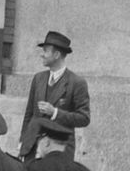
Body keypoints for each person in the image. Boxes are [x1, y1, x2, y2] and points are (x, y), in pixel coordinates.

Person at [17, 29, 91, 160]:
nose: (42, 55)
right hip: (33, 149)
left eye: (45, 51)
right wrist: (22, 142)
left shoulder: (76, 82)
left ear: (56, 54)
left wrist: (55, 113)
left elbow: (84, 118)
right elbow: (29, 114)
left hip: (60, 150)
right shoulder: (38, 78)